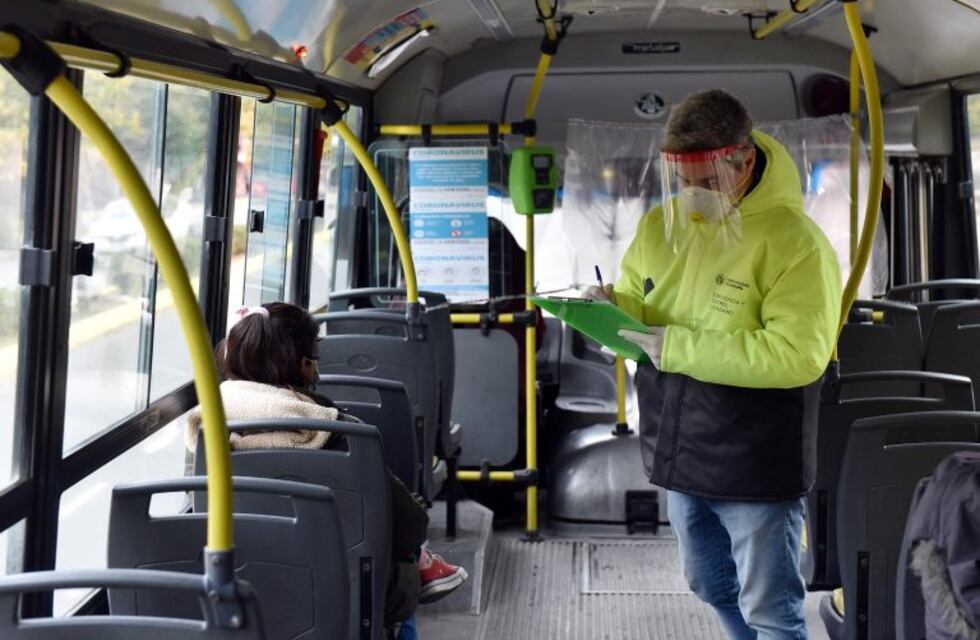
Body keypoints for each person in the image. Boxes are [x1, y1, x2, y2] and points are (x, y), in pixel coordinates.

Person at [588, 89, 842, 639]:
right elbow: (642, 300)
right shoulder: (661, 227)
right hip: (682, 442)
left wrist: (675, 347)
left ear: (743, 161)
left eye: (705, 181)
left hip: (756, 454)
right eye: (683, 182)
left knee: (771, 608)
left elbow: (798, 355)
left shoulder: (797, 244)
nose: (692, 195)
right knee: (709, 583)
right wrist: (609, 308)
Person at [184, 302, 468, 629]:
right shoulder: (342, 432)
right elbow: (410, 525)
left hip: (235, 592)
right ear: (305, 364)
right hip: (341, 597)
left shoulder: (204, 430)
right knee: (402, 570)